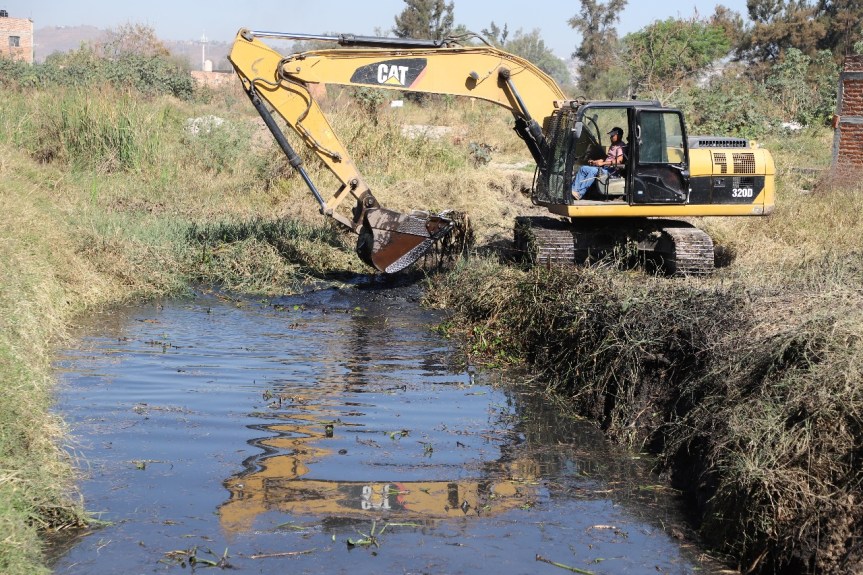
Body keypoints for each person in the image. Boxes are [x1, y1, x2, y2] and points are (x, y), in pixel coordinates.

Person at [572, 127, 626, 200]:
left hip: (611, 171)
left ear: (618, 136)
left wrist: (603, 163)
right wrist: (596, 161)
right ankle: (574, 190)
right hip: (605, 168)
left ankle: (580, 193)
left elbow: (618, 161)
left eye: (613, 136)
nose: (611, 137)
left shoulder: (620, 146)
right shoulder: (613, 146)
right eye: (611, 136)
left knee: (593, 171)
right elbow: (607, 158)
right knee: (583, 169)